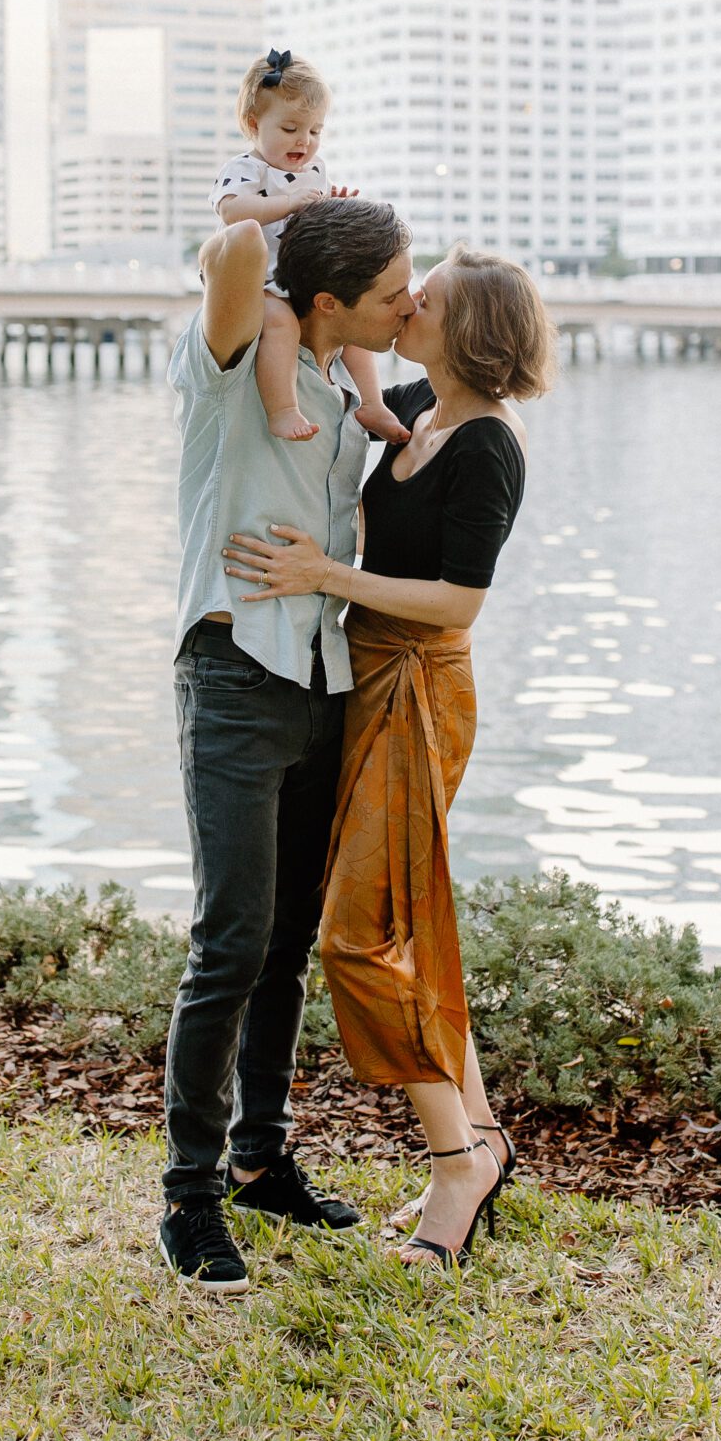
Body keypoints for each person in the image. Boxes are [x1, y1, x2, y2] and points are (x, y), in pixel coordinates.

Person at [224, 247, 558, 1272]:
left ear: (472, 329)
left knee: (360, 937)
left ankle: (456, 1164)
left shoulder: (489, 443)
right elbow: (313, 349)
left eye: (432, 298)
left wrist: (328, 573)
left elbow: (459, 602)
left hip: (420, 682)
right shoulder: (413, 403)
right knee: (410, 922)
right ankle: (484, 1135)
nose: (411, 304)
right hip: (357, 673)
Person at [158, 191, 416, 1292]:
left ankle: (263, 1159)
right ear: (323, 301)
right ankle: (190, 1195)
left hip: (324, 680)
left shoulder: (341, 391)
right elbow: (232, 252)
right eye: (391, 294)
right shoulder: (231, 366)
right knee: (231, 940)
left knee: (287, 943)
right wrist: (282, 193)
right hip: (235, 675)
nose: (407, 308)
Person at [211, 49, 408, 448]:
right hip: (258, 279)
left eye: (315, 131)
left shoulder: (313, 170)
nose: (305, 140)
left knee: (352, 327)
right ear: (254, 124)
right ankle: (282, 408)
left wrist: (335, 203)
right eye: (290, 129)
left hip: (299, 272)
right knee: (281, 325)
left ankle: (371, 403)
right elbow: (233, 212)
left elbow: (312, 218)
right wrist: (288, 204)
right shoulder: (246, 169)